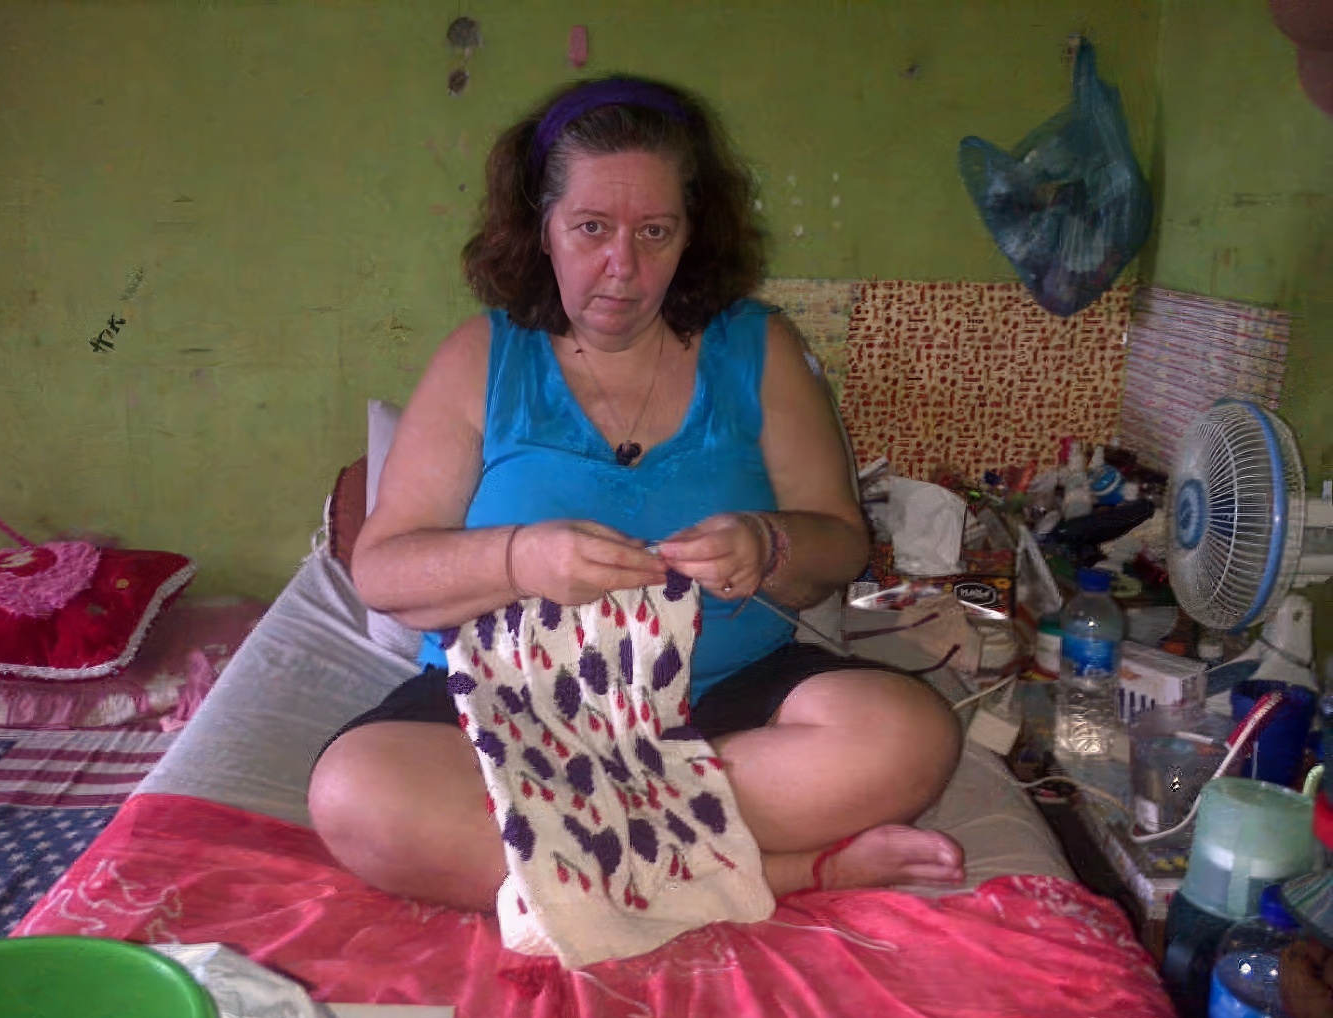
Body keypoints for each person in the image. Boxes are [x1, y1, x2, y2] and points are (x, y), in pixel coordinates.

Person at [309, 75, 965, 911]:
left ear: (692, 233)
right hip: (508, 708)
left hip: (722, 705)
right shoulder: (481, 357)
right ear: (542, 228)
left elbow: (841, 542)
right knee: (359, 792)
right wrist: (519, 560)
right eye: (591, 227)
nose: (623, 267)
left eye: (656, 231)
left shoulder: (758, 348)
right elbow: (384, 571)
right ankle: (789, 873)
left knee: (907, 735)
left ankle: (579, 860)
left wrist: (768, 544)